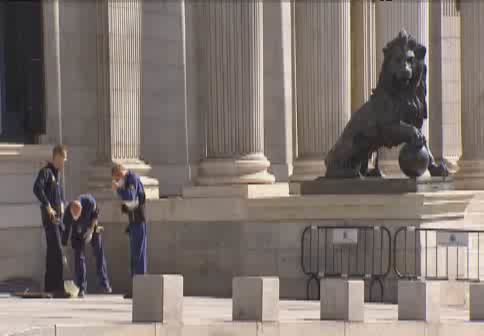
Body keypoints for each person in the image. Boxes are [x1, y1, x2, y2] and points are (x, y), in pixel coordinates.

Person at [33, 144, 71, 298]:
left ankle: (49, 287)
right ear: (56, 157)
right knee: (57, 252)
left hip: (58, 221)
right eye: (63, 159)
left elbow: (59, 198)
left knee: (52, 254)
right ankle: (59, 288)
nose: (64, 163)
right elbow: (37, 188)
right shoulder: (46, 172)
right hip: (50, 220)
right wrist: (47, 205)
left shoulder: (57, 176)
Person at [62, 194, 112, 298]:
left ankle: (104, 284)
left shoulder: (89, 202)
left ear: (81, 210)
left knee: (99, 253)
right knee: (79, 258)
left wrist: (91, 230)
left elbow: (95, 214)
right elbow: (66, 231)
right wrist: (64, 249)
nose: (76, 218)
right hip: (77, 232)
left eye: (78, 216)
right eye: (74, 216)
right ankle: (82, 287)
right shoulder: (67, 213)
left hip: (91, 227)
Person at [111, 163, 147, 299]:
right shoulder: (127, 181)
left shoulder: (131, 179)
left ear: (120, 174)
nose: (118, 181)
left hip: (139, 222)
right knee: (133, 257)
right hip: (133, 222)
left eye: (117, 178)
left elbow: (131, 197)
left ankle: (140, 288)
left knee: (139, 256)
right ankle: (135, 287)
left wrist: (119, 189)